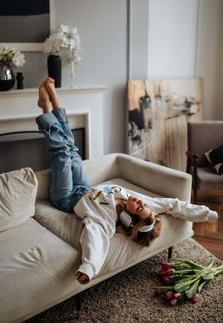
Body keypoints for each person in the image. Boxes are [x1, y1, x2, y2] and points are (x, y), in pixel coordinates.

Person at [36, 78, 218, 284]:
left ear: (127, 220)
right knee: (72, 150)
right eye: (144, 205)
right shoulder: (137, 201)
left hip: (66, 198)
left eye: (139, 208)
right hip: (85, 188)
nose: (141, 202)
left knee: (61, 153)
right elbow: (171, 205)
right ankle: (52, 101)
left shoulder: (105, 220)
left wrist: (89, 267)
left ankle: (45, 109)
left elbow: (97, 241)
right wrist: (206, 213)